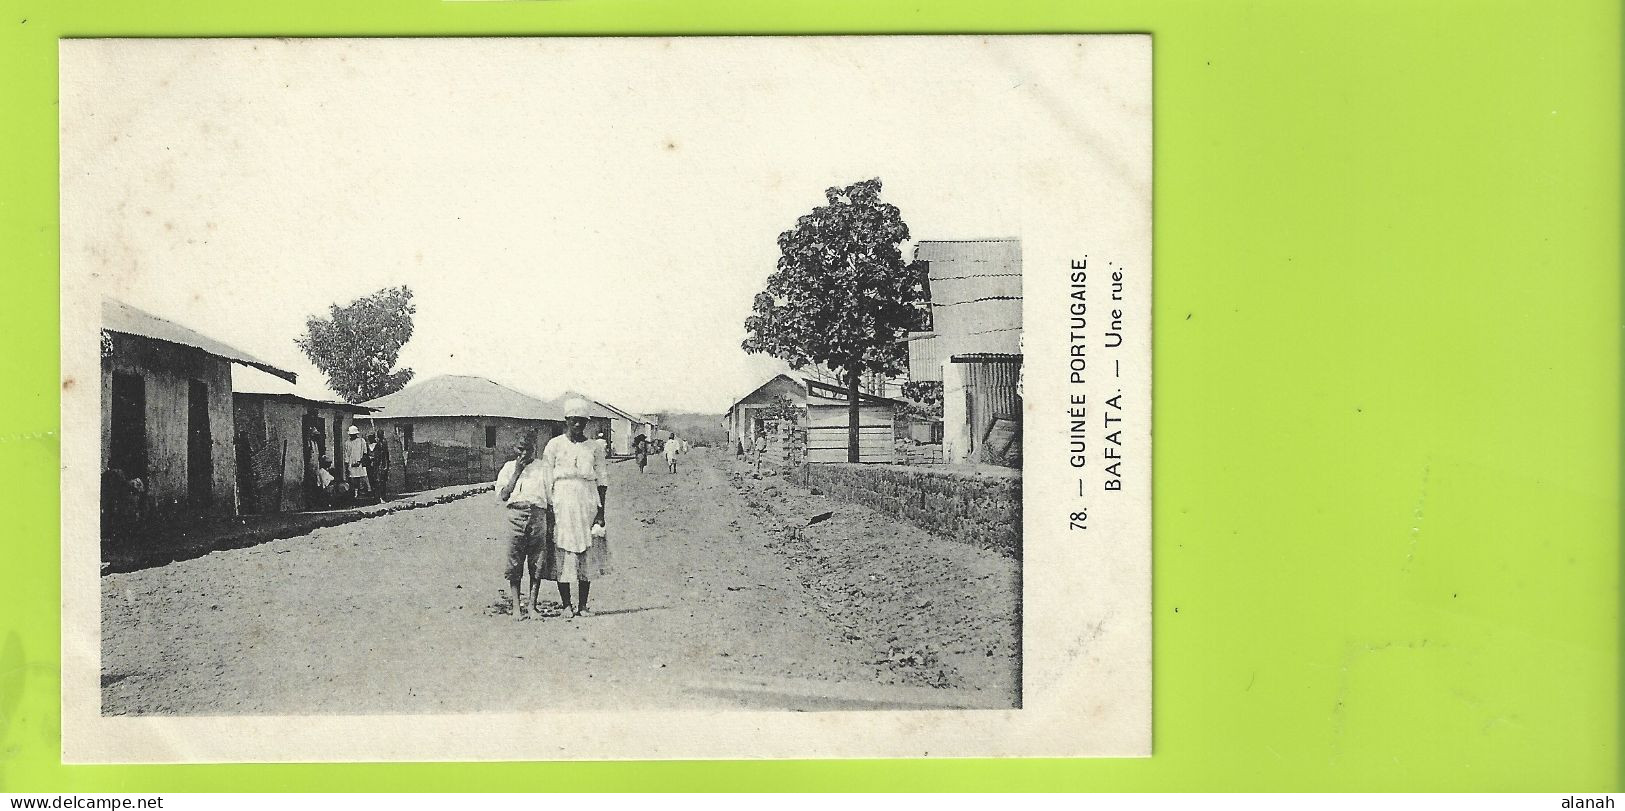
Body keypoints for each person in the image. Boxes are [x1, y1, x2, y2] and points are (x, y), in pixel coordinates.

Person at [542, 398, 610, 618]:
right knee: (563, 548)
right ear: (566, 421)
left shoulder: (594, 448)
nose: (578, 424)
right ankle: (566, 606)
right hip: (562, 501)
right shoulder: (554, 445)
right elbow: (546, 479)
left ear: (587, 422)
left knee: (586, 550)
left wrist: (601, 512)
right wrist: (549, 508)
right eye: (574, 420)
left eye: (582, 421)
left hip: (587, 501)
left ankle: (582, 605)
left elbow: (602, 481)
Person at [495, 434, 550, 621]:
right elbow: (503, 495)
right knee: (514, 560)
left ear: (535, 448)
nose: (524, 453)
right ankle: (516, 607)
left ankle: (532, 606)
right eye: (520, 449)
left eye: (528, 449)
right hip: (515, 515)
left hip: (537, 515)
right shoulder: (508, 468)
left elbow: (550, 496)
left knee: (537, 561)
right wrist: (516, 472)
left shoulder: (543, 467)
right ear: (514, 448)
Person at [343, 425, 371, 502]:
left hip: (360, 463)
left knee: (364, 477)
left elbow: (365, 452)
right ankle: (356, 493)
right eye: (351, 435)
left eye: (353, 434)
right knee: (353, 479)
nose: (352, 436)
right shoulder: (347, 443)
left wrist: (360, 461)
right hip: (351, 464)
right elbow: (346, 455)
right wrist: (347, 465)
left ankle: (368, 492)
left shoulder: (362, 441)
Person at [367, 429, 390, 502]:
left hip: (381, 464)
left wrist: (386, 465)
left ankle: (382, 497)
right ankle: (378, 497)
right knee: (377, 482)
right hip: (376, 465)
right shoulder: (377, 444)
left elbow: (385, 454)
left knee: (381, 481)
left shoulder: (383, 443)